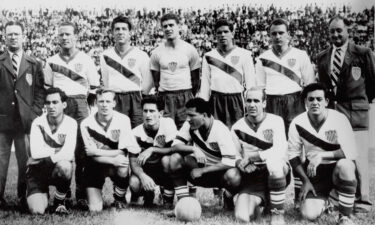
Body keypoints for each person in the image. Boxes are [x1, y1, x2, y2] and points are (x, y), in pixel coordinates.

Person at [316, 15, 375, 213]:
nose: (335, 35)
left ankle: (363, 200)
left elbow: (373, 84)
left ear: (348, 31)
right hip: (333, 112)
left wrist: (360, 101)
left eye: (339, 30)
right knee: (338, 156)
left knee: (358, 156)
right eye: (332, 31)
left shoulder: (363, 53)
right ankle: (340, 195)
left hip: (356, 111)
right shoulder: (322, 57)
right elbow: (324, 88)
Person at [44, 21, 101, 208]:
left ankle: (82, 194)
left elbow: (94, 86)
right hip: (61, 105)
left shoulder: (85, 59)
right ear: (57, 37)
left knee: (82, 152)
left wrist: (86, 107)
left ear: (75, 36)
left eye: (68, 34)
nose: (65, 37)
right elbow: (47, 87)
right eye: (61, 34)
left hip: (80, 105)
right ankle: (64, 193)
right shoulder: (51, 61)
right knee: (62, 149)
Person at [288, 83, 358, 225]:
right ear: (305, 102)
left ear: (326, 101)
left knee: (346, 165)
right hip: (314, 173)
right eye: (311, 99)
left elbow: (351, 151)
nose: (315, 102)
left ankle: (345, 216)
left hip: (336, 169)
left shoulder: (339, 119)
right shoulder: (297, 122)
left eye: (319, 99)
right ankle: (329, 201)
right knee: (308, 214)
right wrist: (305, 181)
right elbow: (293, 155)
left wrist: (322, 156)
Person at [0, 21, 45, 210]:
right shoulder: (0, 61)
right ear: (4, 36)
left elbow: (40, 92)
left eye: (16, 34)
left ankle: (22, 197)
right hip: (2, 121)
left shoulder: (34, 63)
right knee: (0, 162)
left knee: (25, 161)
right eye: (9, 34)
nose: (13, 37)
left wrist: (33, 113)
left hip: (25, 122)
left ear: (23, 36)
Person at [231, 87, 290, 225]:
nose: (252, 105)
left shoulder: (276, 121)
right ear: (244, 103)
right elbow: (233, 153)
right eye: (249, 101)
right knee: (242, 216)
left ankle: (277, 216)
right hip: (252, 175)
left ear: (264, 103)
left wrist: (254, 157)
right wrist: (240, 161)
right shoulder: (237, 127)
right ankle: (266, 200)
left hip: (275, 172)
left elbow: (280, 149)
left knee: (275, 164)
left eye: (256, 101)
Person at [168, 98, 241, 208]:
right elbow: (175, 146)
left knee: (233, 176)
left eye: (192, 115)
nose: (188, 119)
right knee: (174, 158)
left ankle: (228, 197)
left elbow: (229, 162)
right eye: (187, 115)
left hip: (220, 174)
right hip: (200, 169)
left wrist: (202, 170)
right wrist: (194, 149)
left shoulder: (220, 129)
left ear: (204, 115)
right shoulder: (189, 125)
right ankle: (184, 203)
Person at [80, 89, 140, 212]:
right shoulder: (86, 123)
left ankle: (119, 199)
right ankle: (92, 195)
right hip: (95, 165)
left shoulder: (123, 120)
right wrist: (110, 159)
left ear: (114, 103)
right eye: (101, 101)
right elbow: (90, 155)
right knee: (95, 209)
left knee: (123, 164)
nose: (104, 105)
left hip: (115, 164)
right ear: (96, 103)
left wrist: (97, 151)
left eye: (108, 101)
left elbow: (122, 151)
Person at [255, 18, 315, 133]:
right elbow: (260, 87)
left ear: (288, 34)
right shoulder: (262, 58)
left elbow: (310, 84)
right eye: (274, 34)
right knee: (275, 137)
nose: (278, 36)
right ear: (269, 36)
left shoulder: (300, 55)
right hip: (272, 102)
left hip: (295, 101)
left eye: (281, 33)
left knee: (297, 136)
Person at [27, 88, 77, 214]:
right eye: (48, 103)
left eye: (55, 102)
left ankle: (59, 201)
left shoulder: (71, 123)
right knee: (37, 210)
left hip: (47, 165)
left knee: (65, 166)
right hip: (37, 171)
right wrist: (59, 151)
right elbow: (35, 152)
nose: (51, 106)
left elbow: (69, 153)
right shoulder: (37, 122)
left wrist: (46, 156)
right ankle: (42, 193)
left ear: (64, 104)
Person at [199, 19, 256, 128]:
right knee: (216, 132)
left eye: (226, 32)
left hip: (236, 100)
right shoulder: (208, 56)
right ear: (215, 35)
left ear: (232, 33)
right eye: (219, 32)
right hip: (216, 100)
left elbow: (250, 83)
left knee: (237, 133)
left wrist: (250, 104)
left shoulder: (244, 54)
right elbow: (205, 84)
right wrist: (203, 105)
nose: (222, 35)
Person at [101, 16, 153, 128]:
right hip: (116, 98)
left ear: (130, 32)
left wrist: (139, 98)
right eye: (117, 29)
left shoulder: (141, 54)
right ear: (112, 32)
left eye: (124, 29)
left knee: (138, 130)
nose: (120, 32)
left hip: (136, 98)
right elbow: (106, 81)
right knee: (117, 131)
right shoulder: (105, 55)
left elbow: (148, 82)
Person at [150, 13, 201, 129]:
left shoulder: (190, 49)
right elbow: (156, 80)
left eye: (171, 25)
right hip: (165, 96)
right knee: (165, 129)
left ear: (178, 26)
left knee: (187, 128)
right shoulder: (157, 52)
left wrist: (187, 94)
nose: (168, 28)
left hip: (185, 95)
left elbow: (196, 79)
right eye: (165, 26)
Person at [130, 96, 177, 208]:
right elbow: (132, 161)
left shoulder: (168, 124)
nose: (148, 115)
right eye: (145, 111)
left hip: (163, 168)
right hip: (146, 169)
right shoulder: (135, 133)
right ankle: (146, 195)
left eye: (152, 111)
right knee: (134, 183)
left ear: (160, 113)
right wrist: (142, 176)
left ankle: (167, 199)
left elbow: (174, 149)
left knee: (168, 161)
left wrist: (152, 149)